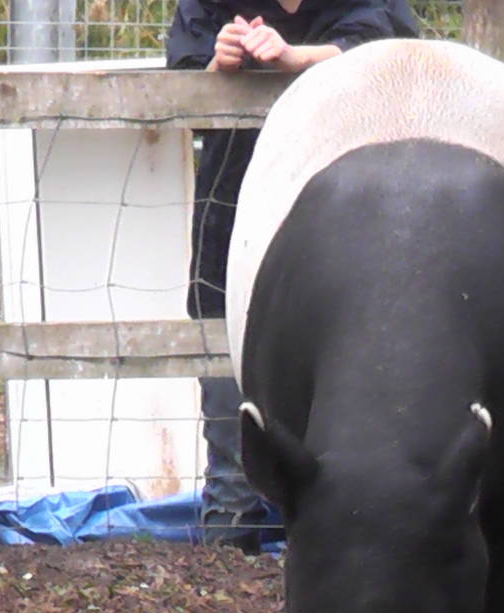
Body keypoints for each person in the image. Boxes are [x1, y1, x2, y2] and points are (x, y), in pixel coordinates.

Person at [166, 0, 418, 552]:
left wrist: (290, 58)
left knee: (347, 398)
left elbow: (389, 51)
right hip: (231, 223)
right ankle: (226, 548)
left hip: (353, 235)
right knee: (226, 395)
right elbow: (179, 100)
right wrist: (219, 65)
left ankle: (343, 550)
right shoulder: (208, 5)